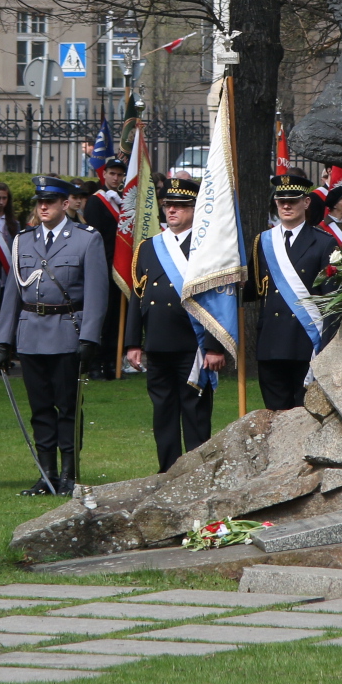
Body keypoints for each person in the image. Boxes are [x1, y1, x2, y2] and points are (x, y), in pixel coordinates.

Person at [0, 174, 108, 495]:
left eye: (50, 201)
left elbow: (97, 294)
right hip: (31, 334)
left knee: (68, 408)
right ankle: (46, 476)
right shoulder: (23, 239)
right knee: (41, 408)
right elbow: (12, 294)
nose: (43, 206)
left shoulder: (86, 239)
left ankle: (69, 475)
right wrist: (3, 340)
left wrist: (89, 338)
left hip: (67, 333)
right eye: (39, 202)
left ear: (65, 204)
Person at [123, 177, 225, 472]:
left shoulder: (208, 247)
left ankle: (195, 473)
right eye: (169, 205)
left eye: (181, 206)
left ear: (195, 209)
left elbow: (218, 300)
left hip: (194, 346)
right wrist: (133, 342)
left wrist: (214, 346)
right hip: (157, 343)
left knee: (194, 412)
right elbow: (137, 295)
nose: (173, 211)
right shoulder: (149, 247)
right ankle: (166, 472)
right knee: (163, 412)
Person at [253, 173, 339, 410]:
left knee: (304, 416)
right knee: (274, 416)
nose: (287, 205)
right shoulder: (262, 242)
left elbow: (331, 300)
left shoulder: (324, 243)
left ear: (306, 202)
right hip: (271, 342)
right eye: (281, 201)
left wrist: (326, 345)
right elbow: (252, 290)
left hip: (306, 342)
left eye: (293, 200)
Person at [80, 159, 123, 381]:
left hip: (119, 268)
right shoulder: (97, 202)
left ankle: (112, 363)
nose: (116, 178)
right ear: (104, 174)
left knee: (115, 318)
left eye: (119, 175)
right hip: (102, 266)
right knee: (101, 317)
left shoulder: (123, 201)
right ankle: (95, 364)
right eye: (112, 174)